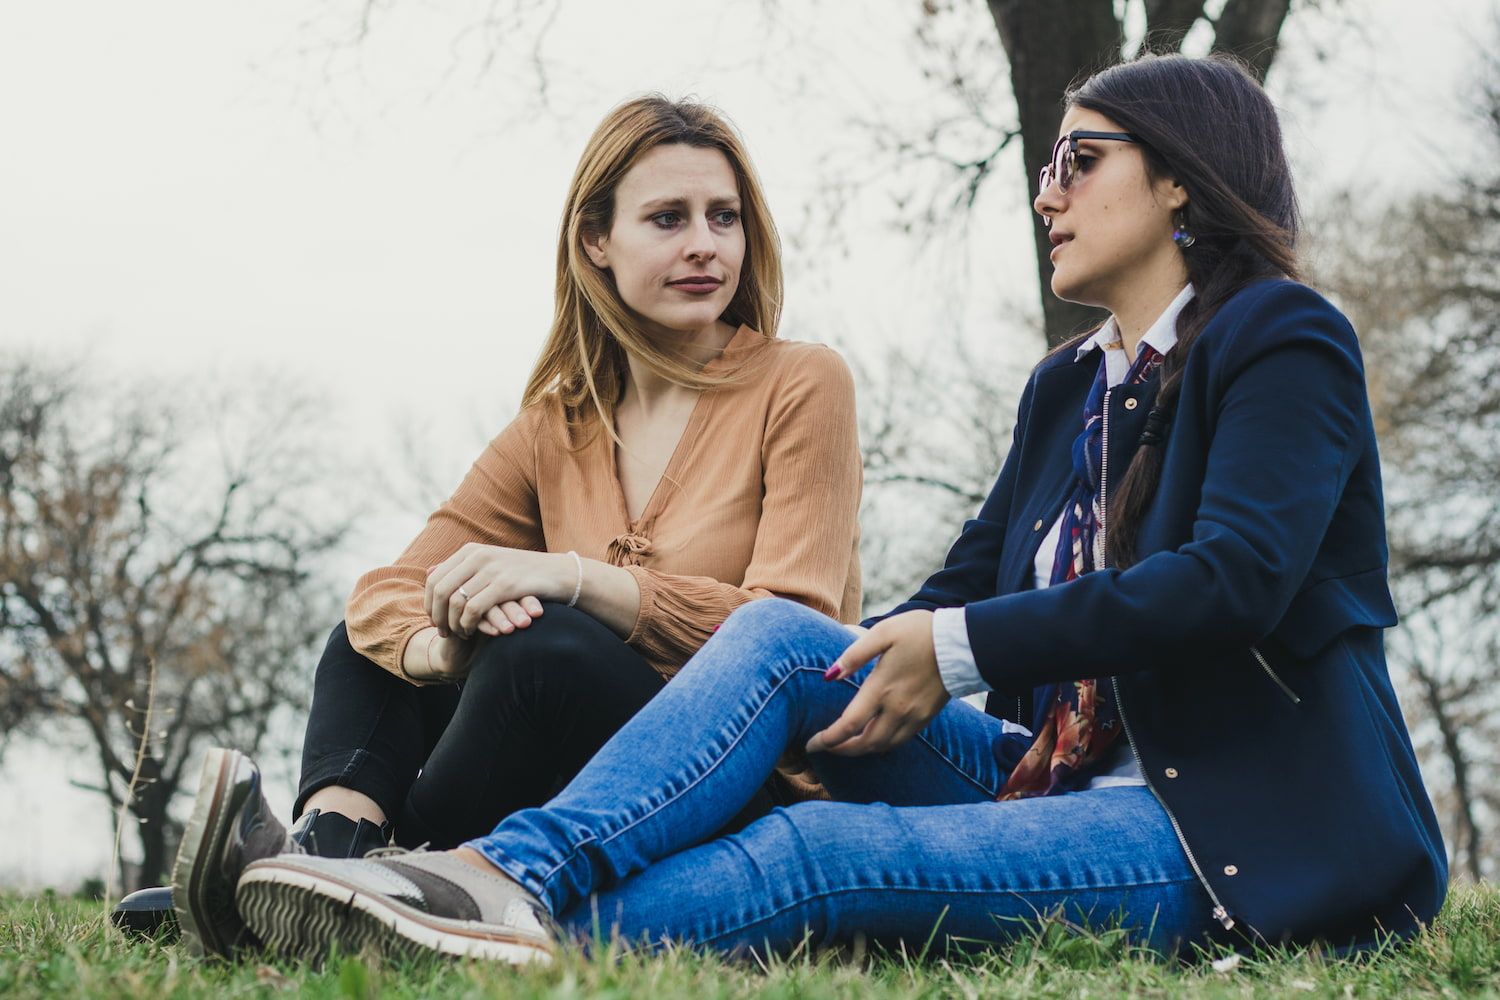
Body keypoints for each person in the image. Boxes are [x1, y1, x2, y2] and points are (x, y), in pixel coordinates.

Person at [230, 53, 1447, 966]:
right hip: (1044, 774)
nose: (1049, 192)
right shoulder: (1073, 383)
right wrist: (864, 668)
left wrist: (947, 651)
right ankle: (480, 882)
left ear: (1181, 178)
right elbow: (964, 585)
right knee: (777, 640)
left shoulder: (1283, 337)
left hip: (1201, 821)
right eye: (1047, 164)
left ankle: (439, 914)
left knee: (816, 854)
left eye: (1081, 160)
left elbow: (1234, 578)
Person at [129, 95, 864, 957]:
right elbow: (386, 594)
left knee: (544, 648)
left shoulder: (802, 383)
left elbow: (793, 639)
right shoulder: (558, 426)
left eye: (724, 217)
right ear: (596, 240)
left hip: (733, 780)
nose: (705, 243)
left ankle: (361, 883)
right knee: (380, 640)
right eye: (668, 218)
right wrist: (444, 647)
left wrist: (579, 580)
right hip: (572, 775)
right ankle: (335, 852)